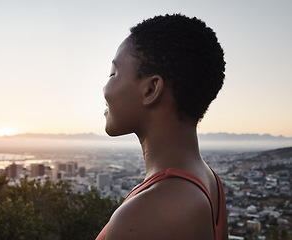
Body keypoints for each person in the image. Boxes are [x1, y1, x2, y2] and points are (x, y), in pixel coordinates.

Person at [97, 14, 228, 240]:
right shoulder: (209, 182)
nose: (105, 88)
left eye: (113, 73)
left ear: (150, 90)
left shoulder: (143, 216)